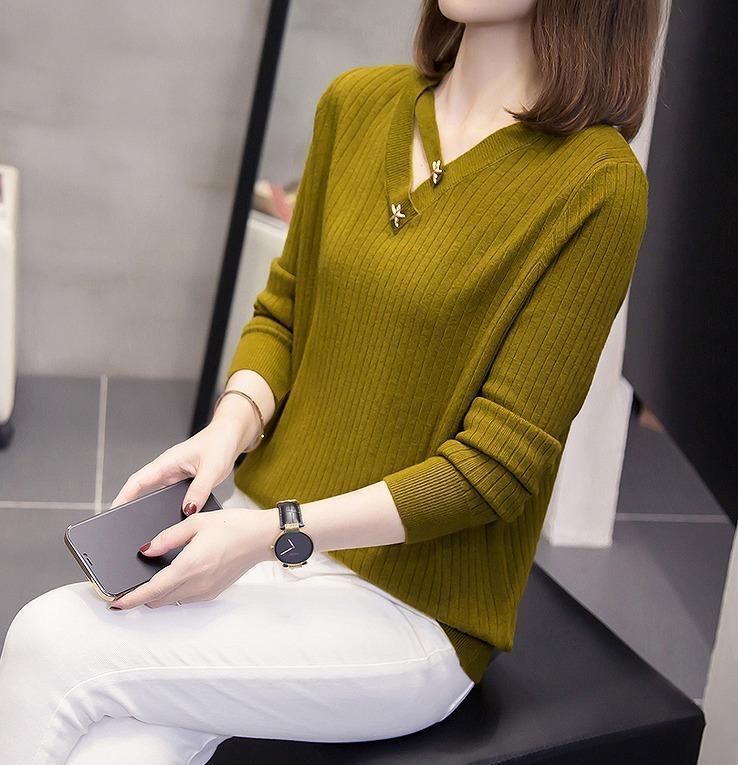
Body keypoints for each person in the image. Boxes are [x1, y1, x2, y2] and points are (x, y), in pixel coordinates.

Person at [0, 0, 662, 762]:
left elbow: (496, 470)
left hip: (407, 610)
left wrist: (274, 532)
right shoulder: (356, 104)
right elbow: (285, 313)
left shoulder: (597, 184)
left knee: (50, 637)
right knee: (119, 748)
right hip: (261, 533)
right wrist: (227, 429)